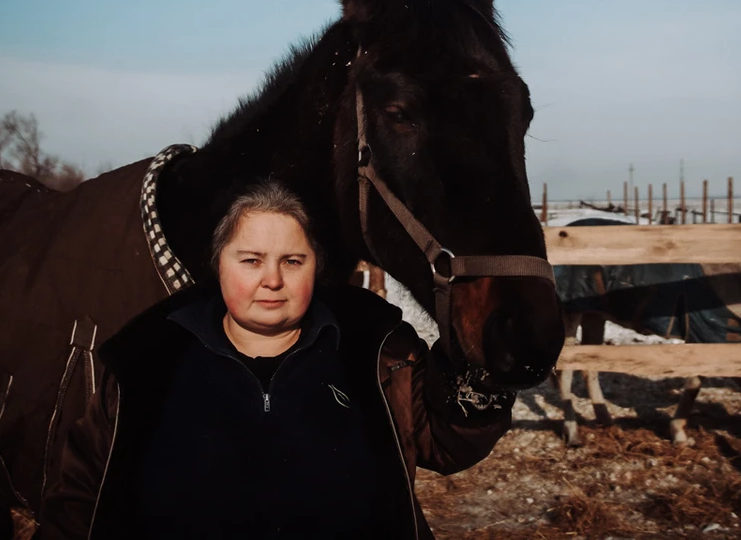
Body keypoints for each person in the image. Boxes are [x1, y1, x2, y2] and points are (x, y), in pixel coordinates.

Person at [39, 180, 515, 539]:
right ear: (218, 265)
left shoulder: (377, 354)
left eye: (292, 261)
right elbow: (81, 498)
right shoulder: (147, 366)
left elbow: (449, 442)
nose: (272, 279)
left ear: (317, 268)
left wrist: (482, 363)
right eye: (250, 260)